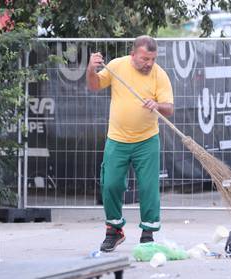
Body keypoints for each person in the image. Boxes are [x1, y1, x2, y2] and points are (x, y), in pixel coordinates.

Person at [86, 35, 174, 252]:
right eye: (145, 59)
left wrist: (157, 104)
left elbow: (169, 108)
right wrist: (90, 69)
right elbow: (95, 85)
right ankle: (114, 230)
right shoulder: (117, 66)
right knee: (111, 184)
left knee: (148, 187)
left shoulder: (159, 74)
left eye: (152, 59)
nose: (149, 64)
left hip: (147, 139)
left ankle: (148, 233)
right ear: (133, 54)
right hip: (117, 138)